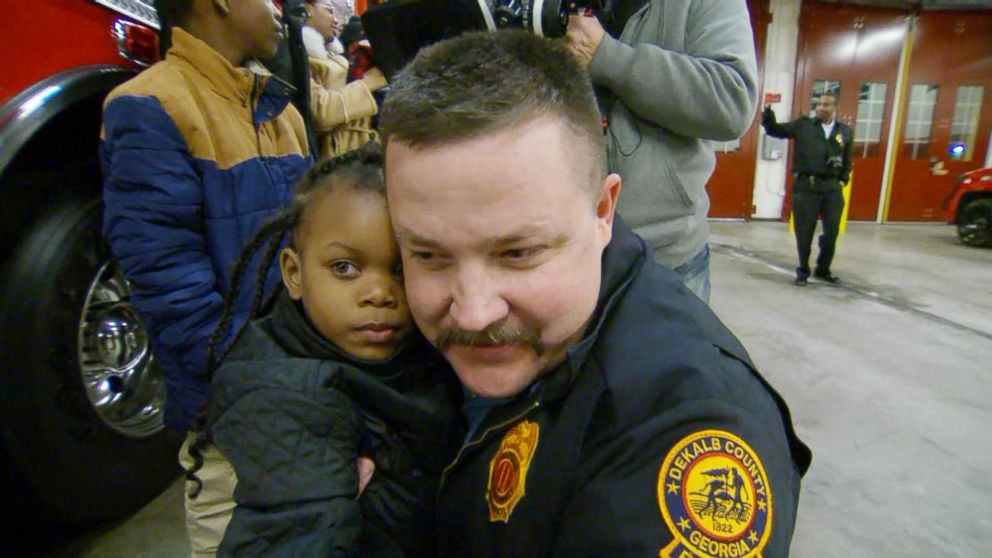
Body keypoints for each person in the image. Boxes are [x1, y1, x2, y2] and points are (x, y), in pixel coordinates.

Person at [380, 30, 811, 557]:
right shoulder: (383, 314)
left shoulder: (684, 429)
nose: (472, 312)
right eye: (428, 256)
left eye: (518, 254)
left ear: (604, 211)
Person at [100, 0, 311, 553]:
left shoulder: (282, 111)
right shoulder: (149, 105)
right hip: (230, 422)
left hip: (305, 397)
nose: (280, 11)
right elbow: (170, 288)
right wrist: (251, 382)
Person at [186, 144, 459, 556]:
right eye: (344, 268)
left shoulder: (423, 354)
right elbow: (301, 530)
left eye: (401, 268)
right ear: (294, 274)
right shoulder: (279, 394)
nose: (379, 293)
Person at [565, 0, 759, 303]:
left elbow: (733, 99)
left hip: (666, 258)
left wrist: (608, 57)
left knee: (664, 351)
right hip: (554, 253)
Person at [762, 92, 853, 286]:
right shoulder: (803, 125)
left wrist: (843, 179)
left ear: (834, 107)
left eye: (826, 105)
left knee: (832, 232)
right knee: (804, 231)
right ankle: (803, 270)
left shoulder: (844, 131)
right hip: (806, 187)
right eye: (819, 104)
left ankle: (823, 269)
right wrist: (768, 113)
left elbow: (848, 158)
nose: (821, 108)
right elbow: (775, 130)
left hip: (831, 188)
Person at [302, 0, 387, 157]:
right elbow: (320, 112)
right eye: (329, 11)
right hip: (337, 152)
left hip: (362, 146)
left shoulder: (334, 56)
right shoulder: (303, 58)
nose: (335, 20)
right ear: (307, 9)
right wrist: (366, 84)